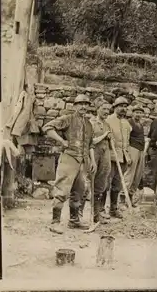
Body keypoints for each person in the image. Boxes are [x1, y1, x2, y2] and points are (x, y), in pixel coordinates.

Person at [42, 94, 97, 234]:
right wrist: (62, 141)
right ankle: (55, 222)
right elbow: (48, 127)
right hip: (69, 158)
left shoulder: (89, 124)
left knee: (79, 191)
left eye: (86, 104)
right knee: (62, 190)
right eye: (80, 104)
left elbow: (91, 144)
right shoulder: (68, 119)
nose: (83, 106)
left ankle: (74, 220)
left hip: (83, 161)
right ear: (75, 106)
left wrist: (93, 161)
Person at [104, 96, 133, 219]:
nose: (123, 109)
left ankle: (113, 209)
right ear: (115, 107)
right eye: (121, 106)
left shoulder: (126, 123)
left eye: (125, 107)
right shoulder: (108, 120)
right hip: (110, 157)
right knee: (106, 184)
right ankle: (100, 209)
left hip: (123, 158)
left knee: (117, 186)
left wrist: (128, 155)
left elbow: (127, 142)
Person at [89, 100, 113, 224]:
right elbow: (91, 141)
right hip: (94, 156)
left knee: (102, 185)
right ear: (97, 108)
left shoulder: (107, 124)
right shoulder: (91, 123)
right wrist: (104, 135)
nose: (106, 112)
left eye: (108, 110)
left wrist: (109, 137)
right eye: (104, 109)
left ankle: (97, 214)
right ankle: (88, 214)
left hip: (105, 156)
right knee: (91, 184)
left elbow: (108, 141)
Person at [121, 104, 147, 207]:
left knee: (138, 175)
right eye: (137, 112)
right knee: (129, 174)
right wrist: (126, 154)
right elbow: (126, 138)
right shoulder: (129, 123)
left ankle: (130, 197)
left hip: (141, 150)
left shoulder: (140, 124)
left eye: (140, 113)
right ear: (132, 113)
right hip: (132, 148)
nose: (138, 114)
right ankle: (122, 200)